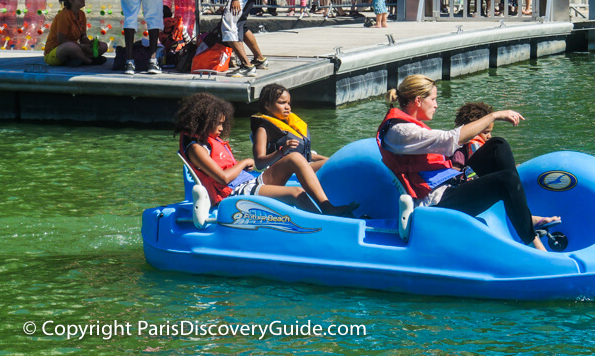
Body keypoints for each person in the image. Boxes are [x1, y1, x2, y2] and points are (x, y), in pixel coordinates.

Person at [377, 74, 559, 250]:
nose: (436, 105)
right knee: (507, 180)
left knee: (497, 145)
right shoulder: (400, 132)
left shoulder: (409, 126)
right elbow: (449, 139)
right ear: (418, 101)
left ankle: (526, 217)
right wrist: (493, 116)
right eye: (433, 99)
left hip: (450, 185)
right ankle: (533, 242)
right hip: (437, 203)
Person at [174, 93, 356, 215]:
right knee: (296, 193)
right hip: (234, 193)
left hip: (246, 183)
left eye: (223, 123)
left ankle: (327, 207)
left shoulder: (208, 141)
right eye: (218, 124)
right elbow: (222, 178)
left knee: (294, 157)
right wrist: (244, 162)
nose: (222, 128)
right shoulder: (196, 148)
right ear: (203, 122)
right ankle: (324, 224)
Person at [251, 83, 328, 173]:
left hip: (302, 166)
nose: (287, 107)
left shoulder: (289, 125)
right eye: (282, 103)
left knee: (332, 161)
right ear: (267, 105)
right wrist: (282, 151)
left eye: (288, 103)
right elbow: (259, 163)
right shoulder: (263, 130)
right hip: (285, 172)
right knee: (335, 164)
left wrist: (328, 159)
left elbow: (304, 154)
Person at [43, 0, 108, 67]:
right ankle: (88, 61)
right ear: (71, 1)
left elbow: (83, 37)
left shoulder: (82, 14)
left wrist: (91, 44)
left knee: (103, 46)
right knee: (71, 47)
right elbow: (61, 40)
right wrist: (83, 47)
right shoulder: (64, 15)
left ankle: (76, 59)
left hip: (76, 48)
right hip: (56, 52)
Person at [451, 101, 494, 171]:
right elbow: (454, 170)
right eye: (486, 132)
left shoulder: (485, 147)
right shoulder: (460, 151)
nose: (489, 136)